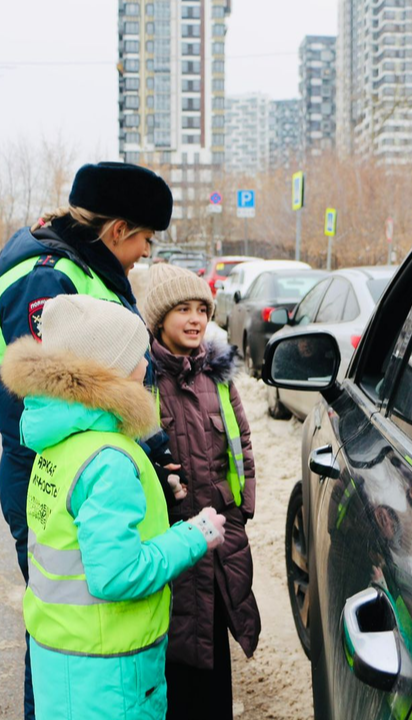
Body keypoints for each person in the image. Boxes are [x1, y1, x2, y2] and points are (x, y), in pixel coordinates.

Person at [0, 161, 173, 718]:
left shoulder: (81, 265)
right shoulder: (49, 278)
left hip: (91, 467)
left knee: (83, 626)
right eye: (144, 239)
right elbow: (58, 398)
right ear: (117, 230)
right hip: (66, 477)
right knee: (63, 627)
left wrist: (152, 450)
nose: (145, 253)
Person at [0, 295, 227, 720]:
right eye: (137, 356)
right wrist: (193, 536)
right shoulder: (108, 460)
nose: (146, 366)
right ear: (109, 371)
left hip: (64, 662)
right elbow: (117, 575)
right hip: (110, 675)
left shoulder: (57, 445)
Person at [141, 263, 261, 720]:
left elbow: (241, 441)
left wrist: (242, 509)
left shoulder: (218, 375)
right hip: (172, 546)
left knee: (215, 654)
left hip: (220, 542)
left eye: (201, 310)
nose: (195, 319)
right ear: (159, 318)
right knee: (177, 660)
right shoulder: (145, 381)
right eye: (182, 309)